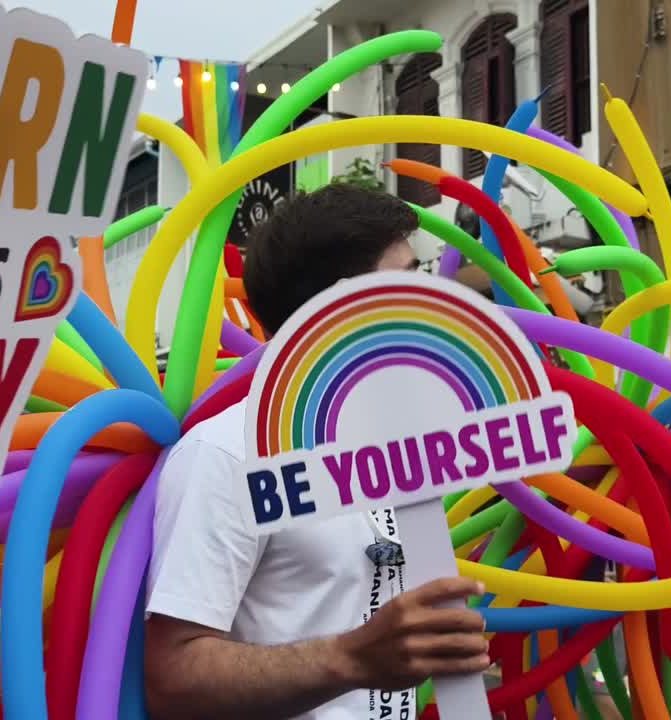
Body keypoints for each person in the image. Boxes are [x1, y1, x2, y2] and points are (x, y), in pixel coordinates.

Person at [144, 185, 490, 720]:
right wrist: (350, 658)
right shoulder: (227, 453)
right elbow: (172, 678)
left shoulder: (391, 443)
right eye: (407, 282)